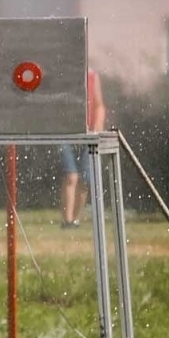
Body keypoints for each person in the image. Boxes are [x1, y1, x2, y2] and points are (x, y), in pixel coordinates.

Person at [59, 68, 107, 228]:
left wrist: (97, 127)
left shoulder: (92, 75)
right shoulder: (63, 74)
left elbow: (99, 105)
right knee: (71, 176)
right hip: (66, 132)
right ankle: (67, 219)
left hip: (89, 132)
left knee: (86, 178)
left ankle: (75, 219)